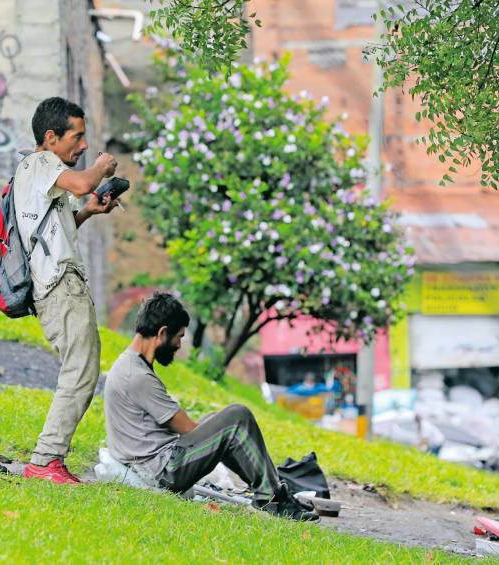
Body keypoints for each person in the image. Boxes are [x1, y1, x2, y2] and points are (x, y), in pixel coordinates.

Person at [103, 292, 317, 521]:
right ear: (162, 333)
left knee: (221, 421)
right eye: (178, 337)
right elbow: (188, 429)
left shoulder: (129, 364)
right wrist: (226, 437)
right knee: (237, 415)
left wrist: (223, 435)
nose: (178, 345)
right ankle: (273, 498)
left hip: (151, 462)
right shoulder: (137, 376)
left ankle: (271, 492)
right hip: (164, 472)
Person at [19, 96, 120, 485]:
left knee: (81, 368)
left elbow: (55, 232)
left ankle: (49, 459)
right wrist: (101, 166)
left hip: (60, 283)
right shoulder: (42, 161)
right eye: (77, 138)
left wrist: (89, 212)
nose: (81, 146)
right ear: (51, 137)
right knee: (80, 370)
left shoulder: (43, 175)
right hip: (60, 286)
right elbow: (81, 183)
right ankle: (45, 460)